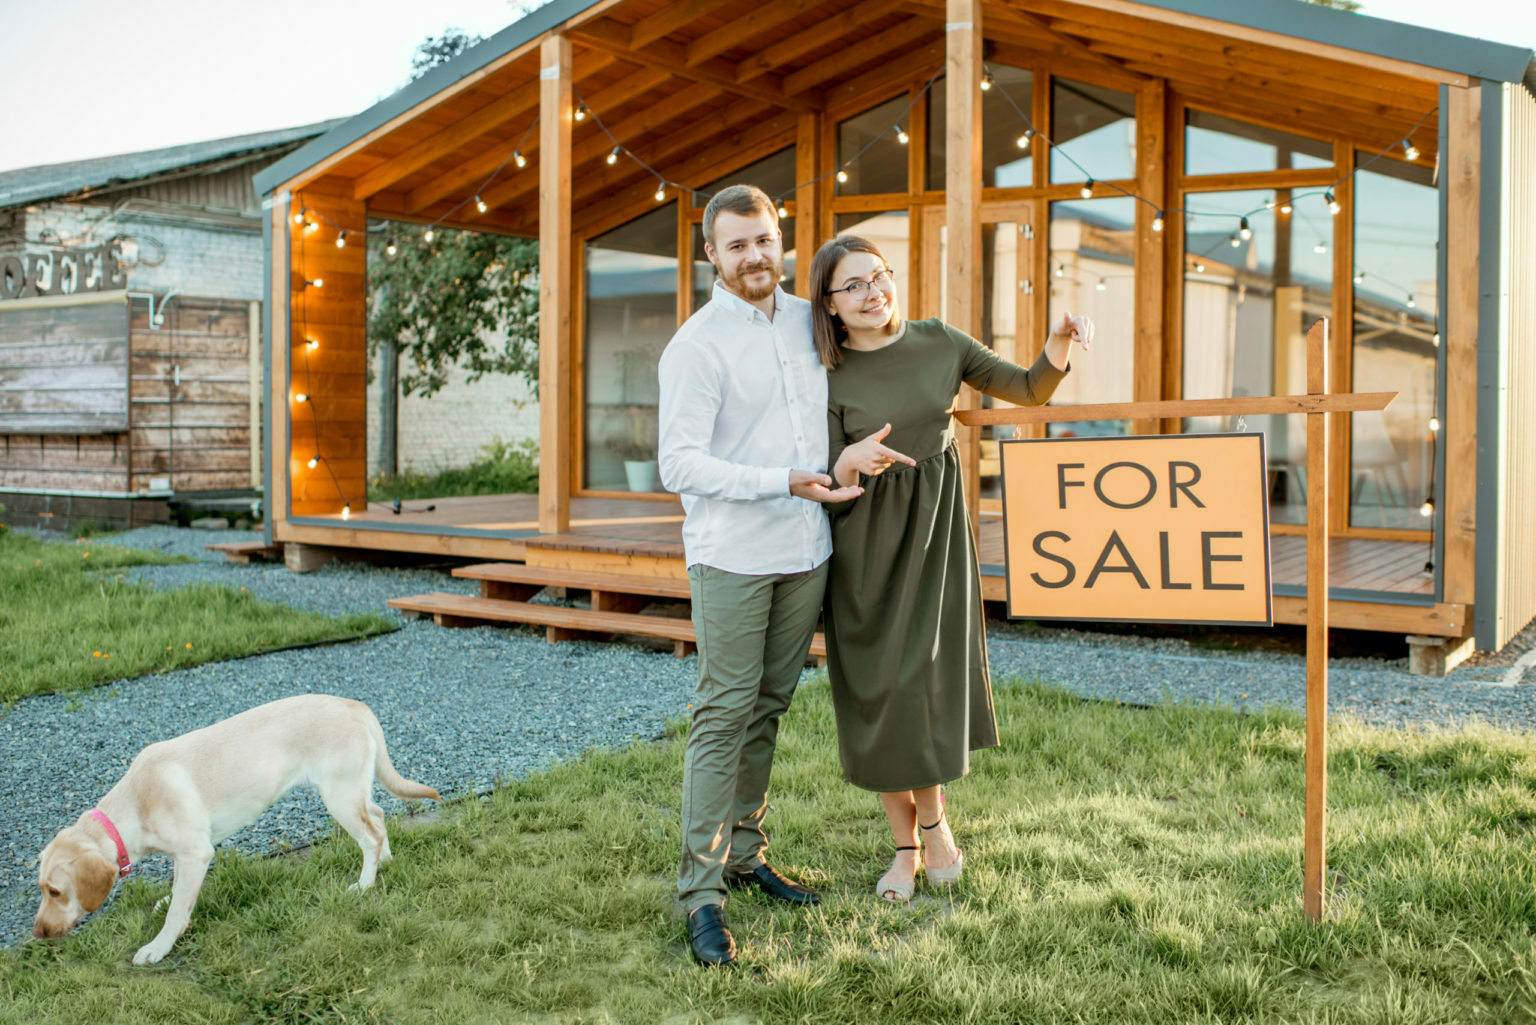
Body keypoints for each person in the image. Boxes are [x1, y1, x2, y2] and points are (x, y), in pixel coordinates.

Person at [808, 234, 1092, 902]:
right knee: (876, 692)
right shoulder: (823, 369)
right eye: (854, 286)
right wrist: (848, 461)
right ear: (830, 303)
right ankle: (913, 844)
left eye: (879, 276)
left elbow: (1026, 390)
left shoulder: (940, 341)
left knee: (920, 686)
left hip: (932, 533)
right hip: (860, 538)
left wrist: (1060, 343)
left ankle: (929, 830)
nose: (874, 293)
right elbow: (819, 467)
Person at [657, 185, 863, 966]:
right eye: (737, 244)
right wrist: (781, 479)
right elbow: (680, 463)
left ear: (783, 240)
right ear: (710, 253)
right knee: (723, 714)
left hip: (805, 550)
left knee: (769, 706)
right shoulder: (698, 345)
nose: (755, 256)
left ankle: (744, 850)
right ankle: (700, 892)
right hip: (734, 554)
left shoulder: (814, 320)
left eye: (765, 239)